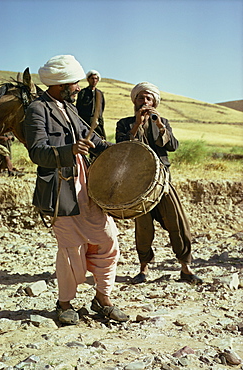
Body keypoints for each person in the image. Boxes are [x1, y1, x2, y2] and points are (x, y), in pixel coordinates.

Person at [23, 55, 129, 325]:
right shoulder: (38, 109)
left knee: (108, 239)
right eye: (74, 83)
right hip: (61, 191)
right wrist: (69, 150)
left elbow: (92, 137)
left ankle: (102, 299)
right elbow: (37, 152)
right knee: (71, 250)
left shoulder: (70, 109)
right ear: (60, 84)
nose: (78, 88)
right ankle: (64, 304)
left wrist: (121, 150)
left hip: (88, 187)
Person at [116, 82, 202, 285]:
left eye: (148, 98)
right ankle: (143, 270)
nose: (144, 102)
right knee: (143, 228)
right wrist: (137, 125)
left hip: (162, 181)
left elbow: (173, 146)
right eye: (140, 98)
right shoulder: (124, 123)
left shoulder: (162, 121)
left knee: (177, 222)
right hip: (138, 184)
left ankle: (186, 268)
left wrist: (160, 126)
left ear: (154, 101)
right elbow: (121, 149)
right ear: (134, 100)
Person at [76, 70, 106, 140]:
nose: (94, 80)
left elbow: (102, 108)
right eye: (92, 78)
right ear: (88, 79)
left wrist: (99, 119)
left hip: (97, 123)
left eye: (96, 79)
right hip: (85, 122)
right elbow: (78, 107)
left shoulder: (100, 93)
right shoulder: (82, 92)